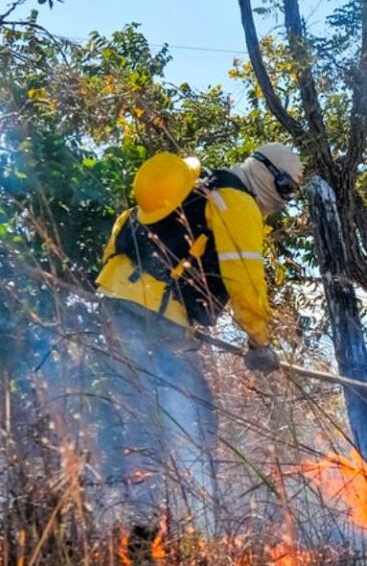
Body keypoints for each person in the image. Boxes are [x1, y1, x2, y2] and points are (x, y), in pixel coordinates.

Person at [93, 143, 304, 531]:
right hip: (156, 319)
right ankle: (156, 528)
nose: (284, 202)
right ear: (270, 176)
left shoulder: (196, 186)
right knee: (191, 420)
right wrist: (260, 343)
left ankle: (111, 505)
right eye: (287, 189)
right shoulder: (237, 201)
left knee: (133, 405)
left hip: (114, 301)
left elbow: (127, 224)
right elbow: (246, 282)